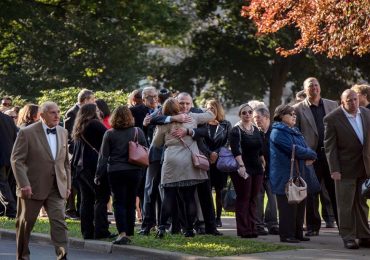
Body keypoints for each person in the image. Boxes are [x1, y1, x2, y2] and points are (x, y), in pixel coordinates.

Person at [11, 101, 71, 260]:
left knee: (59, 223)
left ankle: (62, 256)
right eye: (52, 112)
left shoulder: (63, 132)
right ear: (42, 115)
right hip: (31, 187)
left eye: (58, 111)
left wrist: (68, 185)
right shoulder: (27, 132)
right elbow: (17, 160)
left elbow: (65, 162)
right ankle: (23, 256)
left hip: (57, 187)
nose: (57, 115)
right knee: (25, 225)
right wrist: (24, 184)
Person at [153, 97, 215, 238]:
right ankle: (188, 229)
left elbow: (156, 143)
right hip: (188, 160)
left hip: (171, 160)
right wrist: (206, 108)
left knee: (168, 195)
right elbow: (211, 115)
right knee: (189, 197)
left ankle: (161, 228)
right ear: (178, 106)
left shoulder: (164, 123)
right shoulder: (192, 117)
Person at [324, 89, 370, 249]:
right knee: (345, 204)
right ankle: (348, 236)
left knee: (362, 203)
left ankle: (364, 235)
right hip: (344, 169)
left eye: (355, 99)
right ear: (342, 101)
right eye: (349, 100)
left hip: (364, 167)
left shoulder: (366, 113)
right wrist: (334, 169)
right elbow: (330, 147)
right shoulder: (332, 118)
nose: (353, 102)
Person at [96, 105, 147, 245]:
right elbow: (145, 150)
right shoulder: (138, 131)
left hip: (116, 171)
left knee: (119, 203)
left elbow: (103, 157)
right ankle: (130, 233)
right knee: (131, 202)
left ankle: (122, 233)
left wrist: (98, 175)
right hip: (134, 171)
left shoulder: (109, 133)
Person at [293, 77, 338, 236]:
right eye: (310, 86)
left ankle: (343, 226)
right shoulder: (297, 109)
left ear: (320, 87)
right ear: (305, 90)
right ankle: (312, 226)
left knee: (335, 191)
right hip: (311, 156)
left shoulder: (332, 105)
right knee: (311, 192)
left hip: (331, 155)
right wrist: (304, 154)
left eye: (316, 85)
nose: (314, 88)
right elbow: (296, 134)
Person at [270, 104, 317, 243]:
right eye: (290, 114)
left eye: (294, 114)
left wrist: (310, 153)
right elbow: (295, 150)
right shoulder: (277, 132)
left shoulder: (295, 131)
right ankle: (286, 235)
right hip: (284, 174)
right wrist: (311, 154)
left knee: (299, 203)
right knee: (287, 206)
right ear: (280, 116)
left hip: (298, 173)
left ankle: (297, 233)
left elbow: (305, 147)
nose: (294, 116)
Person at [71, 103, 112, 240]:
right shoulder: (94, 123)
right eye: (97, 110)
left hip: (80, 168)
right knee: (101, 197)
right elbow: (108, 138)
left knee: (86, 200)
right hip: (93, 167)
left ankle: (87, 232)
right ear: (92, 112)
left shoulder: (79, 126)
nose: (100, 111)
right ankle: (101, 231)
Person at [229, 104, 264, 238]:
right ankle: (243, 230)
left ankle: (252, 227)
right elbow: (236, 150)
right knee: (244, 198)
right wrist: (242, 166)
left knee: (254, 198)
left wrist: (263, 161)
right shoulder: (235, 131)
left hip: (257, 168)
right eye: (244, 113)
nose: (248, 114)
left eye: (250, 112)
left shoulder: (256, 130)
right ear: (240, 115)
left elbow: (260, 148)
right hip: (243, 168)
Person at [196, 99, 231, 228]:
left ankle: (218, 217)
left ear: (219, 109)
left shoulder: (226, 124)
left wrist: (216, 153)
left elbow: (227, 141)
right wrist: (209, 153)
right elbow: (201, 141)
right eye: (208, 107)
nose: (211, 109)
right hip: (206, 160)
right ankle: (209, 216)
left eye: (214, 107)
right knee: (207, 190)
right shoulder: (202, 124)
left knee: (220, 190)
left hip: (220, 161)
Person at [64, 89, 95, 220]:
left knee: (80, 184)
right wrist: (73, 151)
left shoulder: (88, 112)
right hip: (75, 153)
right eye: (92, 99)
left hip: (84, 153)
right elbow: (69, 135)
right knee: (74, 183)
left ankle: (80, 209)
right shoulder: (72, 112)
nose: (94, 102)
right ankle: (70, 209)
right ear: (86, 99)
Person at [253, 106, 279, 235]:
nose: (256, 120)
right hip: (258, 171)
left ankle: (272, 224)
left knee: (273, 199)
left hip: (274, 171)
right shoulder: (255, 132)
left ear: (267, 117)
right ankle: (258, 225)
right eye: (254, 118)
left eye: (258, 117)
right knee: (258, 197)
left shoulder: (276, 130)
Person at [0, 112, 18, 218]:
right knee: (7, 184)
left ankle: (12, 210)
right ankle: (4, 209)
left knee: (3, 185)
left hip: (3, 156)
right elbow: (15, 137)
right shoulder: (7, 118)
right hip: (10, 154)